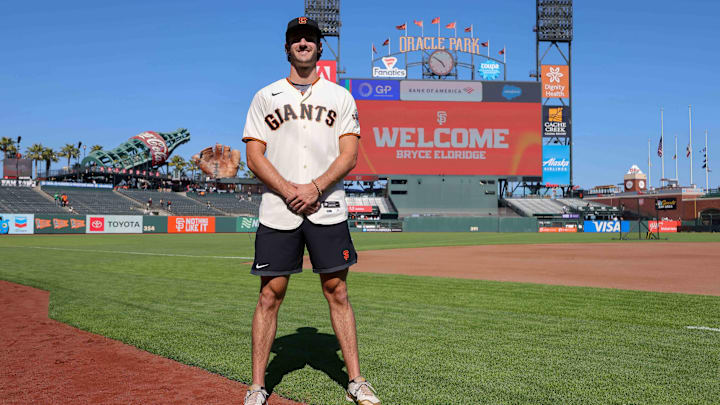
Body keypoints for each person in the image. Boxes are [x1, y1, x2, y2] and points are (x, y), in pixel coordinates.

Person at [241, 17, 379, 405]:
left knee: (337, 290)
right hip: (277, 207)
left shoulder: (340, 97)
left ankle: (356, 380)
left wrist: (314, 188)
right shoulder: (265, 96)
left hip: (328, 205)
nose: (303, 43)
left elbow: (349, 154)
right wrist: (289, 190)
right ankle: (256, 385)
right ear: (287, 48)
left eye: (310, 38)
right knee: (270, 293)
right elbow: (254, 155)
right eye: (296, 39)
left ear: (320, 47)